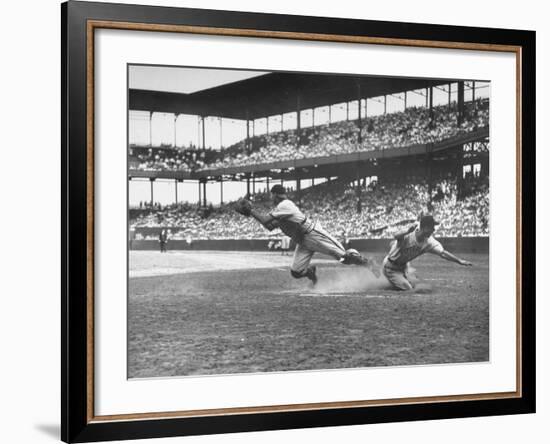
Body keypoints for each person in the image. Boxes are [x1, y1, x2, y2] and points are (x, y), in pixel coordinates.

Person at [234, 184, 376, 285]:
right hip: (302, 241)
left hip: (313, 234)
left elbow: (265, 220)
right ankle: (311, 273)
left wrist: (251, 211)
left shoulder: (285, 205)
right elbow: (269, 226)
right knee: (296, 272)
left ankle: (368, 263)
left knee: (345, 258)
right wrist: (252, 212)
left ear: (275, 194)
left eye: (272, 195)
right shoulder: (281, 208)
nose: (271, 198)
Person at [382, 215, 473, 291]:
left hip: (404, 266)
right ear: (425, 228)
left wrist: (459, 261)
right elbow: (396, 235)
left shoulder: (429, 242)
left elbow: (443, 253)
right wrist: (406, 231)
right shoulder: (410, 233)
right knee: (407, 288)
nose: (433, 229)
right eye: (432, 227)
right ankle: (391, 281)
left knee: (415, 283)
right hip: (390, 267)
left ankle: (403, 277)